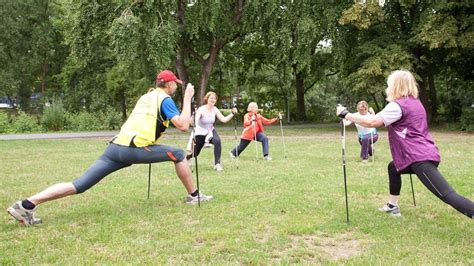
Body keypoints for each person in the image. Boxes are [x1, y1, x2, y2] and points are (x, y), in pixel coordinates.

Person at [7, 70, 213, 226]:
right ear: (168, 84)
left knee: (79, 184)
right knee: (178, 154)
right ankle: (194, 196)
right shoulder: (165, 99)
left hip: (116, 147)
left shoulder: (147, 96)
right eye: (175, 84)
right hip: (134, 148)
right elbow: (184, 125)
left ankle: (26, 205)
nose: (176, 86)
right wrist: (187, 98)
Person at [337, 70, 473, 218]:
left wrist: (346, 114)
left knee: (447, 195)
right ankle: (392, 206)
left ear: (395, 86)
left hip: (419, 158)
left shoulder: (397, 106)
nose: (387, 87)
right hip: (421, 153)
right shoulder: (415, 102)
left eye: (389, 84)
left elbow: (372, 122)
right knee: (393, 167)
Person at [185, 91, 238, 171]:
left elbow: (223, 120)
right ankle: (187, 158)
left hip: (210, 130)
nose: (213, 100)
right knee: (196, 153)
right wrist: (193, 119)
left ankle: (217, 164)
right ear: (207, 99)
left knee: (217, 141)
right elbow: (196, 120)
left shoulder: (215, 109)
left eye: (214, 98)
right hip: (200, 131)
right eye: (211, 98)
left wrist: (232, 113)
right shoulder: (201, 109)